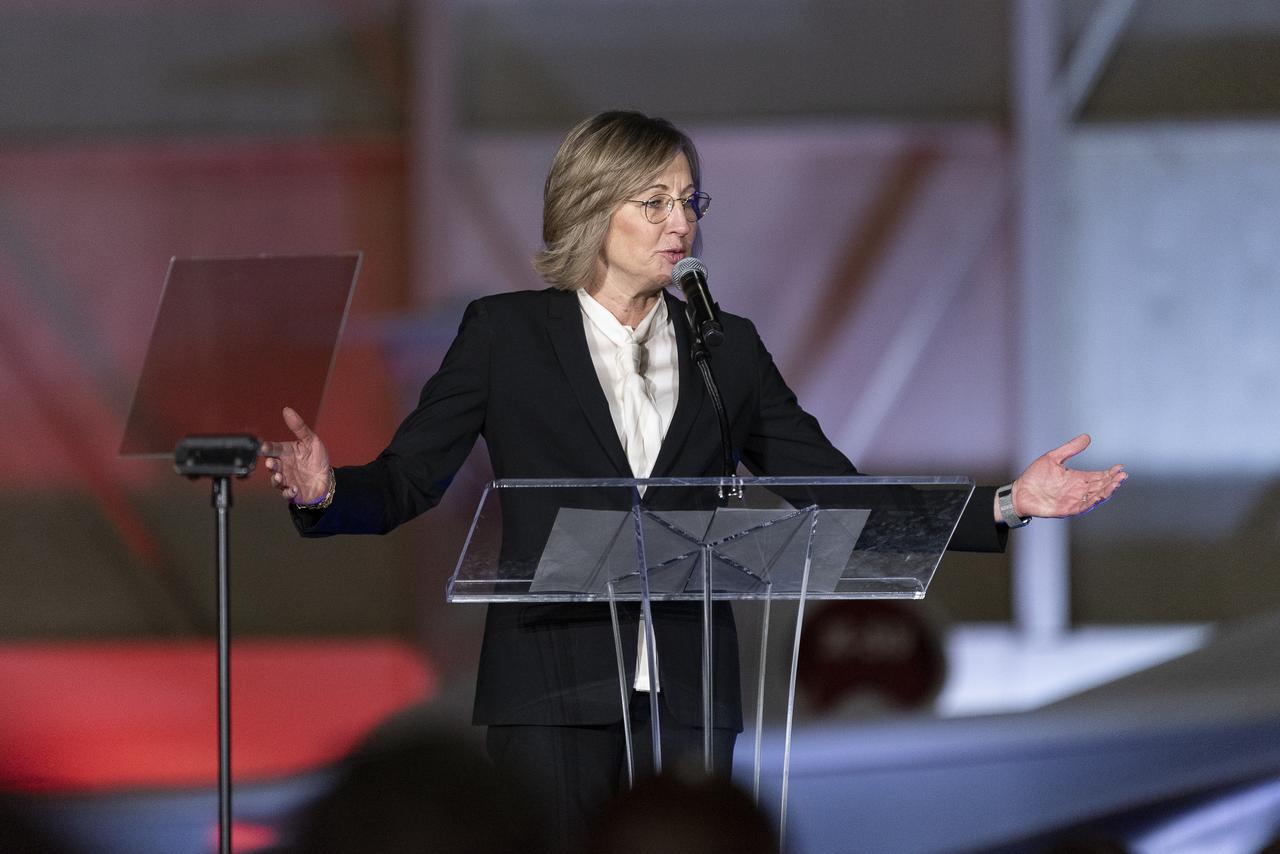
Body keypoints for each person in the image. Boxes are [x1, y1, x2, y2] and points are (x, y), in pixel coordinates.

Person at [263, 110, 1127, 850]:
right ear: (593, 210)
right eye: (656, 202)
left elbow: (833, 490)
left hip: (689, 687)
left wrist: (1008, 504)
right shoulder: (507, 336)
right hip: (551, 682)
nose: (682, 221)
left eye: (690, 200)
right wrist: (326, 491)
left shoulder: (726, 348)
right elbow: (411, 478)